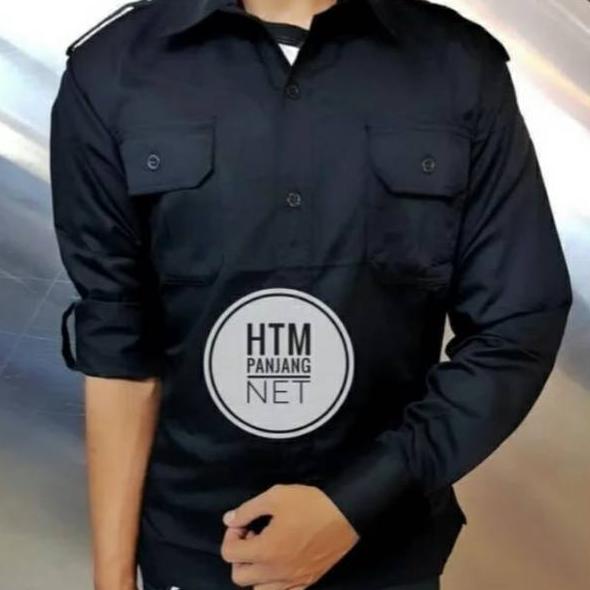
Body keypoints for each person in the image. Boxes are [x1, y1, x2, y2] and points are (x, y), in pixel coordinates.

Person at [49, 0, 573, 589]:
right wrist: (113, 578)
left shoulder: (459, 67)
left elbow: (517, 325)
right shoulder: (112, 68)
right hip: (191, 552)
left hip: (386, 551)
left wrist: (356, 501)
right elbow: (118, 345)